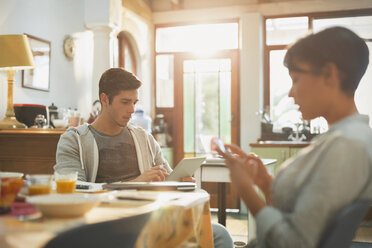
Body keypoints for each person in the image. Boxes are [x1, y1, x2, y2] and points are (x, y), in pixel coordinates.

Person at [217, 26, 372, 248]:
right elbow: (299, 214)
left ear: (330, 74)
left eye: (296, 79)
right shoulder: (343, 137)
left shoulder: (347, 146)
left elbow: (294, 243)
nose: (290, 93)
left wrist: (246, 191)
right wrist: (264, 182)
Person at [54, 68, 233, 248]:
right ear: (104, 99)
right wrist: (136, 183)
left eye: (134, 102)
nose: (132, 110)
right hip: (105, 226)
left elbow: (167, 179)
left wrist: (179, 184)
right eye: (125, 102)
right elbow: (74, 192)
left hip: (152, 220)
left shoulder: (144, 138)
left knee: (220, 235)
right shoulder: (74, 140)